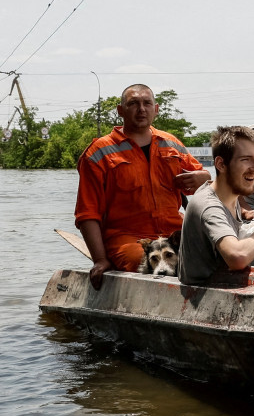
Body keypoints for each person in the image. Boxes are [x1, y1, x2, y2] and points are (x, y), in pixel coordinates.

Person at [75, 84, 210, 289]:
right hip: (127, 238)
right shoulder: (99, 153)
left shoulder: (171, 143)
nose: (141, 109)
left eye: (147, 103)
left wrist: (205, 176)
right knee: (144, 262)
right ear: (120, 111)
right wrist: (100, 260)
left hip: (175, 233)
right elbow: (87, 214)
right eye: (133, 104)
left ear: (155, 109)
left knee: (214, 253)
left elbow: (205, 186)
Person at [178, 126, 254, 285]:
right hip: (205, 297)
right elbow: (238, 257)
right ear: (221, 164)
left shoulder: (229, 197)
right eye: (245, 159)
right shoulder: (209, 205)